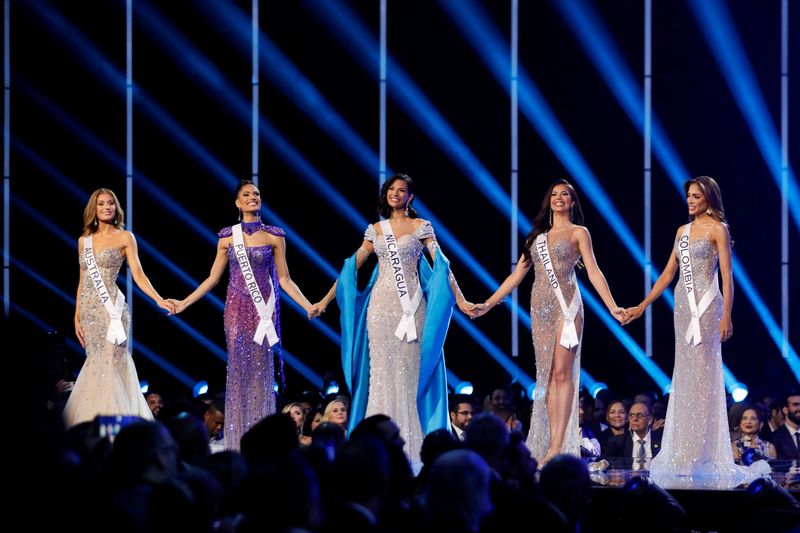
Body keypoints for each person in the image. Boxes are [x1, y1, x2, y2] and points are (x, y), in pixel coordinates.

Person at [315, 173, 473, 464]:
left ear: (410, 197)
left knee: (411, 375)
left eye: (402, 190)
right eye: (391, 189)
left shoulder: (420, 227)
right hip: (380, 309)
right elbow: (351, 268)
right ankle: (376, 453)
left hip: (412, 309)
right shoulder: (376, 229)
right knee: (382, 378)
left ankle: (413, 451)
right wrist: (324, 301)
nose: (396, 194)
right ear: (385, 194)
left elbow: (442, 266)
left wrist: (461, 300)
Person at [624, 176, 769, 487]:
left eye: (696, 196)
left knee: (704, 378)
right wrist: (644, 304)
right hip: (682, 307)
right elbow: (668, 273)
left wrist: (727, 315)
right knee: (686, 376)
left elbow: (728, 277)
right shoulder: (682, 232)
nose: (690, 201)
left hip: (707, 307)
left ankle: (702, 453)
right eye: (688, 196)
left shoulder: (718, 229)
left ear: (709, 199)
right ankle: (684, 450)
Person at [471, 179, 626, 464]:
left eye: (564, 194)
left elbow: (593, 272)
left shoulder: (579, 233)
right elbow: (516, 275)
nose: (559, 198)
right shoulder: (536, 237)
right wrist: (488, 304)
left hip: (568, 308)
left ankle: (558, 445)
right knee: (547, 377)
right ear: (548, 201)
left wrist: (613, 306)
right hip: (539, 308)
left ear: (572, 202)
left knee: (563, 374)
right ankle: (551, 442)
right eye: (554, 194)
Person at [169, 180, 317, 450]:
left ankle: (262, 439)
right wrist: (184, 302)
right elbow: (213, 278)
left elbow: (284, 279)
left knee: (261, 375)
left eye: (256, 194)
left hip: (263, 313)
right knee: (238, 373)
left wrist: (308, 305)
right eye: (246, 195)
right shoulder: (227, 236)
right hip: (236, 311)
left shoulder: (275, 235)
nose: (253, 198)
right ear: (237, 203)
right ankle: (237, 439)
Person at [64, 188, 174, 428]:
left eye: (111, 203)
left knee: (112, 363)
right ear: (93, 209)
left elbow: (139, 275)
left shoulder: (125, 238)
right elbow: (82, 280)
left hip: (112, 312)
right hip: (89, 312)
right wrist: (77, 316)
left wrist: (158, 298)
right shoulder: (83, 241)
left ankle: (118, 426)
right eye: (101, 203)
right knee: (95, 363)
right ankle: (91, 423)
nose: (107, 207)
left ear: (116, 208)